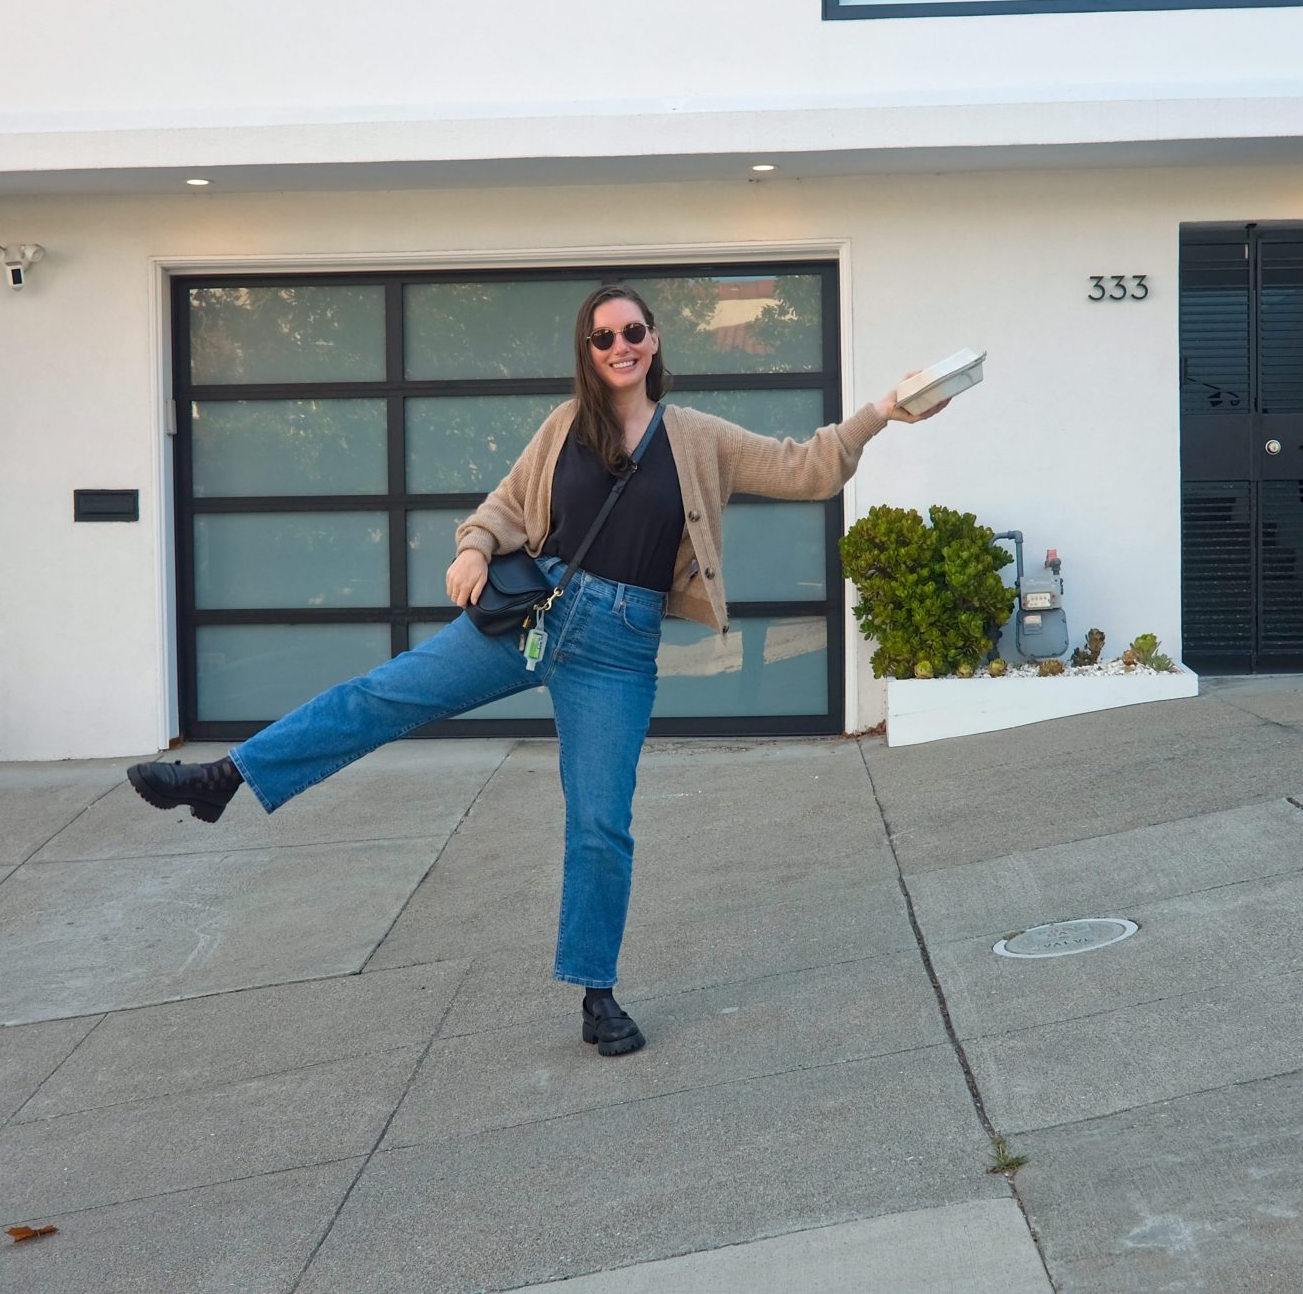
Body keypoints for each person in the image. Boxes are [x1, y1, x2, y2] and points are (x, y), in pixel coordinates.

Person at [128, 284, 950, 1055]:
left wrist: (885, 409)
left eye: (633, 331)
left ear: (654, 341)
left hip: (620, 648)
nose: (621, 345)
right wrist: (473, 548)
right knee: (381, 694)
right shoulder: (565, 427)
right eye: (604, 336)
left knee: (601, 820)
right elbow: (502, 508)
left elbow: (808, 464)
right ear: (588, 352)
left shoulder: (697, 437)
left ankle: (596, 992)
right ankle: (229, 775)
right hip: (532, 613)